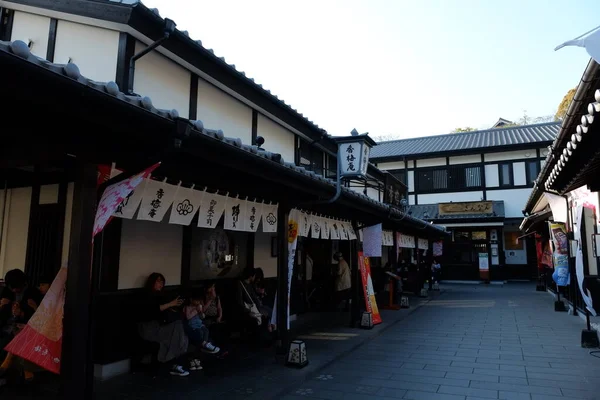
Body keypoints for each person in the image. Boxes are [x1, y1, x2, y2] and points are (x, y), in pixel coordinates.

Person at [138, 273, 190, 377]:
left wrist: (174, 305)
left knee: (179, 327)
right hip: (148, 328)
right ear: (152, 282)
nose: (160, 284)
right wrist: (171, 304)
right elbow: (152, 311)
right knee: (178, 331)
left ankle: (176, 363)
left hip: (159, 326)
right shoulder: (146, 295)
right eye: (158, 281)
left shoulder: (161, 296)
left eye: (162, 282)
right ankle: (175, 363)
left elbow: (165, 311)